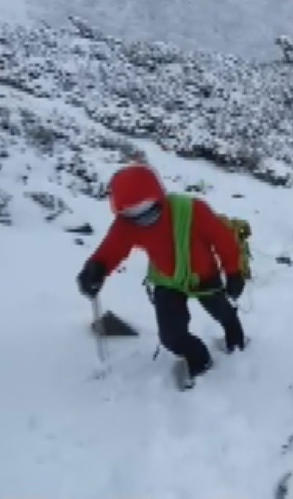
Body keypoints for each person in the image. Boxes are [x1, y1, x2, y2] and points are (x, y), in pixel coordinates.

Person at [76, 163, 247, 390]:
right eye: (133, 213)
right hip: (167, 280)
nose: (142, 218)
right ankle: (200, 360)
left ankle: (236, 341)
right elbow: (113, 247)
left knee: (223, 312)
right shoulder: (128, 224)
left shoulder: (193, 210)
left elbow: (223, 240)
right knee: (171, 335)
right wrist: (96, 267)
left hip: (203, 277)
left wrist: (234, 272)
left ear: (159, 197)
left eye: (147, 208)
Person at [220, 214, 252, 280]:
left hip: (238, 244)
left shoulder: (237, 227)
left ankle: (245, 272)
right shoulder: (229, 226)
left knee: (242, 256)